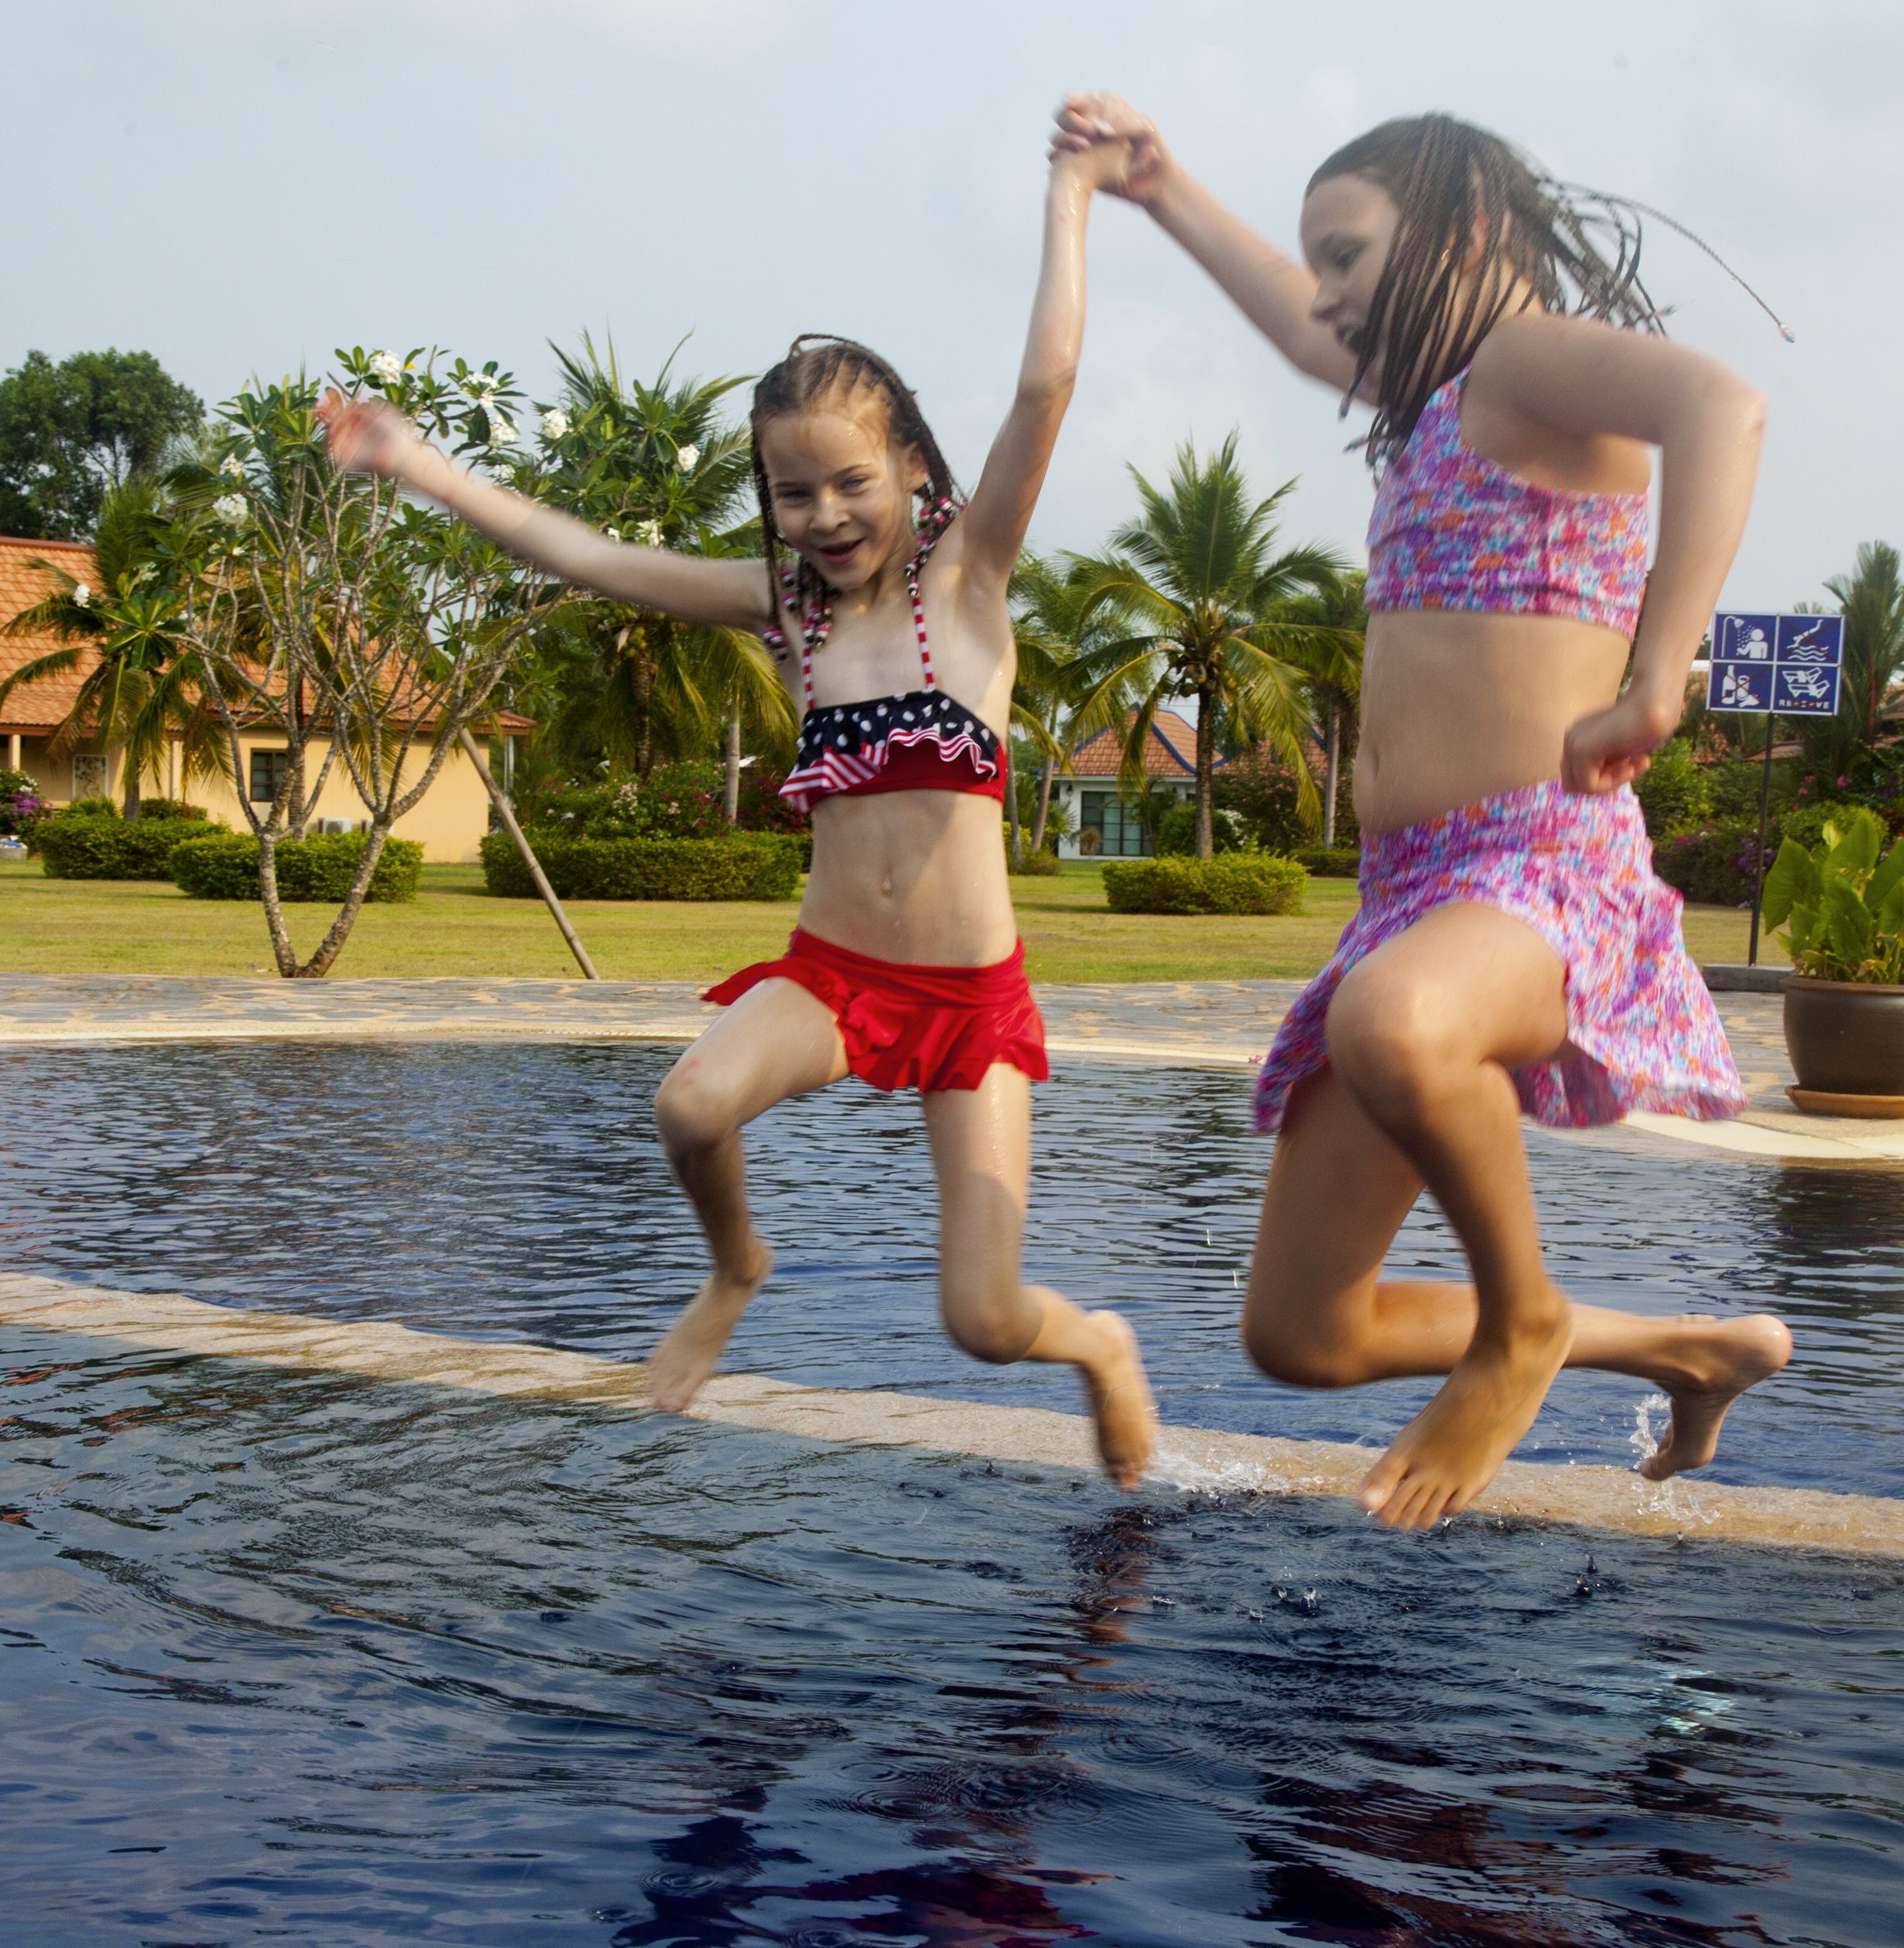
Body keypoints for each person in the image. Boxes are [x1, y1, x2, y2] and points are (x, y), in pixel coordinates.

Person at [317, 137, 1158, 1489]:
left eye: (852, 482)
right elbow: (584, 555)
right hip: (834, 977)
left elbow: (1048, 382)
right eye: (792, 491)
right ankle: (736, 1268)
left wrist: (1069, 198)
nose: (824, 515)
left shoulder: (973, 586)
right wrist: (413, 461)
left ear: (917, 474)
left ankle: (1104, 1349)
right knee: (690, 1106)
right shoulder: (788, 618)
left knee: (986, 1321)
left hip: (968, 999)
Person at [1051, 95, 1794, 1530]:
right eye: (1317, 261)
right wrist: (1163, 188)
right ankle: (1688, 1349)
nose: (1323, 292)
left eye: (1347, 255)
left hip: (1539, 861)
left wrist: (1657, 673)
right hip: (1416, 890)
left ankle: (1521, 1327)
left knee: (1391, 1023)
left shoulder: (1522, 360)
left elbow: (1723, 405)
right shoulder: (1441, 404)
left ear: (1460, 235)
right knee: (1304, 1334)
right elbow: (1297, 322)